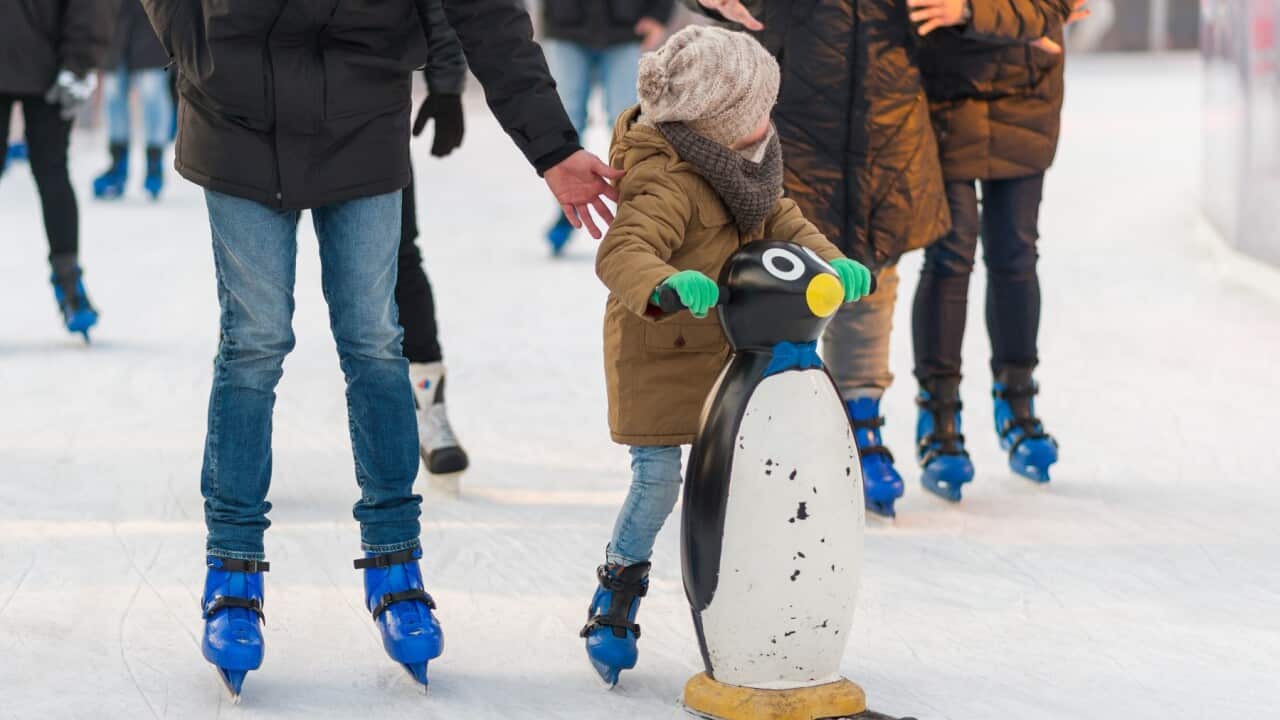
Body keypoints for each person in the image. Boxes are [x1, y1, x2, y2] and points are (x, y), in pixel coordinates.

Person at [138, 0, 622, 696]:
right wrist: (202, 52)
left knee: (373, 342)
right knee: (255, 342)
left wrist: (550, 145)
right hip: (235, 111)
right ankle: (232, 567)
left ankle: (396, 564)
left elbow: (486, 13)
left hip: (361, 114)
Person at [581, 26, 873, 686]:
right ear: (718, 118)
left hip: (727, 356)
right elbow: (621, 252)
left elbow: (783, 218)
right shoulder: (666, 177)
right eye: (757, 109)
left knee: (748, 485)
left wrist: (832, 260)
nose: (768, 120)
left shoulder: (748, 163)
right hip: (659, 351)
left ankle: (751, 594)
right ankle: (619, 586)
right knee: (659, 482)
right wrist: (663, 282)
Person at [687, 0, 951, 519]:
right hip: (790, 116)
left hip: (888, 116)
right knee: (777, 279)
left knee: (871, 273)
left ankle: (862, 420)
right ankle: (761, 433)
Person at [909, 0, 1087, 499]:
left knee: (1016, 252)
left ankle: (1018, 402)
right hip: (946, 96)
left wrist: (967, 12)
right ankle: (938, 416)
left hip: (1025, 97)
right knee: (950, 254)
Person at [0, 0, 113, 341]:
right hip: (48, 61)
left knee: (52, 174)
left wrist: (78, 63)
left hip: (49, 65)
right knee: (53, 176)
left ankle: (69, 285)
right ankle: (70, 288)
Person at [540, 0, 674, 255]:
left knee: (629, 126)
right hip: (565, 24)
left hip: (626, 27)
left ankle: (637, 215)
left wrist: (659, 14)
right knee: (565, 120)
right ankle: (566, 209)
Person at [401, 26, 470, 480]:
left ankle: (428, 408)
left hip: (361, 115)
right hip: (256, 122)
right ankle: (238, 438)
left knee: (399, 259)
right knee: (256, 299)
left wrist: (445, 85)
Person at [93, 0, 173, 200]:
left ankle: (155, 165)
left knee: (152, 94)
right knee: (112, 96)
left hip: (151, 28)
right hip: (114, 28)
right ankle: (117, 166)